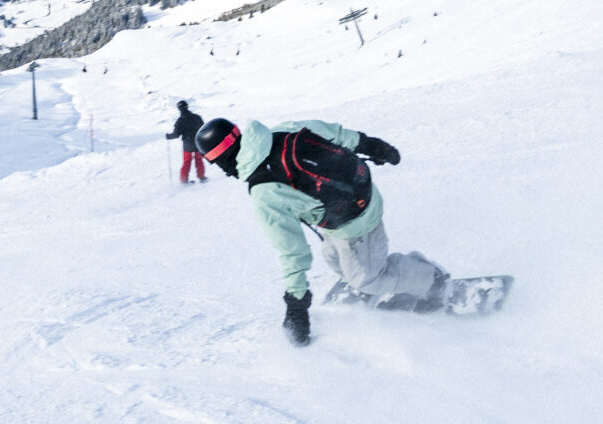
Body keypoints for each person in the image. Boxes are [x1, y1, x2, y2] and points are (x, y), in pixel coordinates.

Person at [195, 115, 449, 345]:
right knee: (334, 258)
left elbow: (292, 251)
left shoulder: (264, 190)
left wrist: (296, 304)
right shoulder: (282, 131)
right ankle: (393, 271)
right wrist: (372, 146)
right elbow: (335, 134)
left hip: (355, 222)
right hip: (356, 200)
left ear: (221, 159)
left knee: (366, 279)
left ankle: (431, 279)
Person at [168, 100, 208, 183]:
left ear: (179, 109)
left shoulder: (180, 121)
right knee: (199, 160)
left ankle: (184, 180)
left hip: (187, 144)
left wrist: (169, 136)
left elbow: (176, 134)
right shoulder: (197, 117)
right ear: (187, 107)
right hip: (198, 143)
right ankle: (201, 177)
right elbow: (204, 129)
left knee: (187, 162)